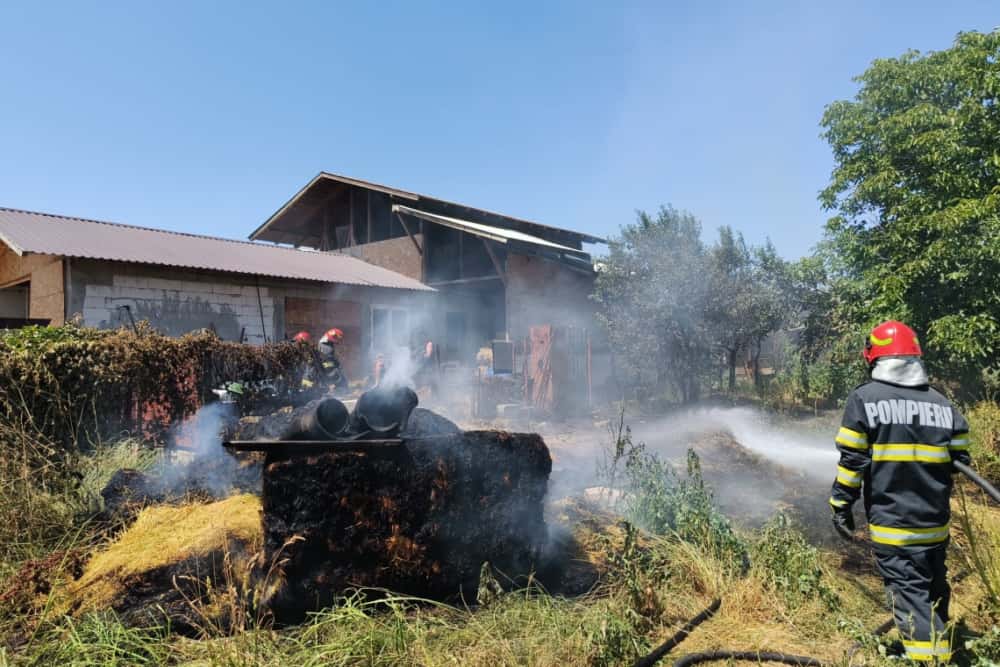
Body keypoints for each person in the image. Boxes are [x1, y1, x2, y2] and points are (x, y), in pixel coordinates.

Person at [830, 320, 970, 663]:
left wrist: (840, 505)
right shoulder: (943, 404)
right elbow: (960, 458)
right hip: (935, 526)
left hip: (895, 527)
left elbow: (852, 463)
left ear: (873, 357)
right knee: (934, 589)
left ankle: (930, 659)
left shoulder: (864, 399)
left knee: (910, 597)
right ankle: (940, 643)